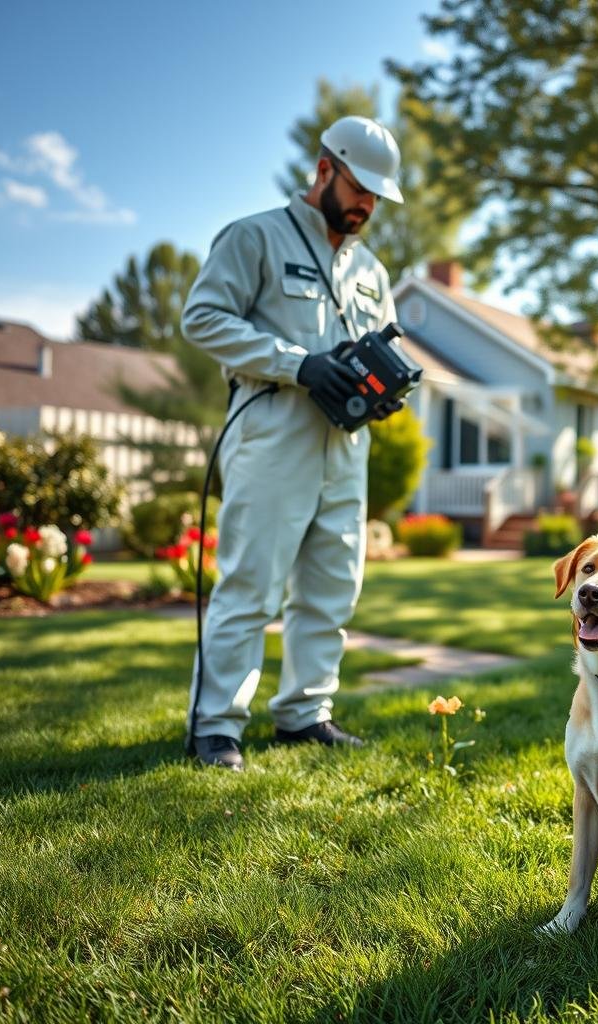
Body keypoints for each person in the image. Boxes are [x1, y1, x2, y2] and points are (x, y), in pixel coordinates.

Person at [181, 116, 405, 770]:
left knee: (333, 588)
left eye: (376, 196)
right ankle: (215, 726)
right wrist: (297, 363)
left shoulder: (372, 270)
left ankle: (306, 714)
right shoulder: (254, 237)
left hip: (347, 447)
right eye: (359, 189)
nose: (366, 206)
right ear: (324, 169)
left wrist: (384, 391)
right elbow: (202, 318)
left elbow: (383, 345)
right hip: (272, 436)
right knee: (249, 586)